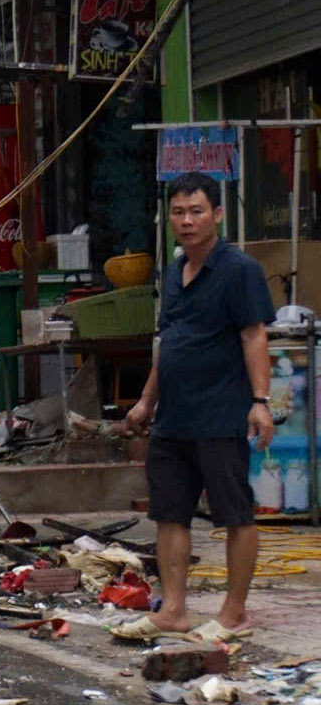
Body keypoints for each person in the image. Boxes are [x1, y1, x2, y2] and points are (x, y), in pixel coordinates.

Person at [115, 173, 275, 643]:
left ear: (218, 215)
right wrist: (147, 399)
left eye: (197, 211)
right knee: (170, 513)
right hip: (174, 418)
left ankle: (234, 613)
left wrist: (260, 403)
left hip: (221, 413)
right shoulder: (174, 270)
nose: (187, 222)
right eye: (179, 213)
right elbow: (169, 343)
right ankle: (174, 611)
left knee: (234, 514)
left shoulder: (239, 269)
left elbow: (254, 335)